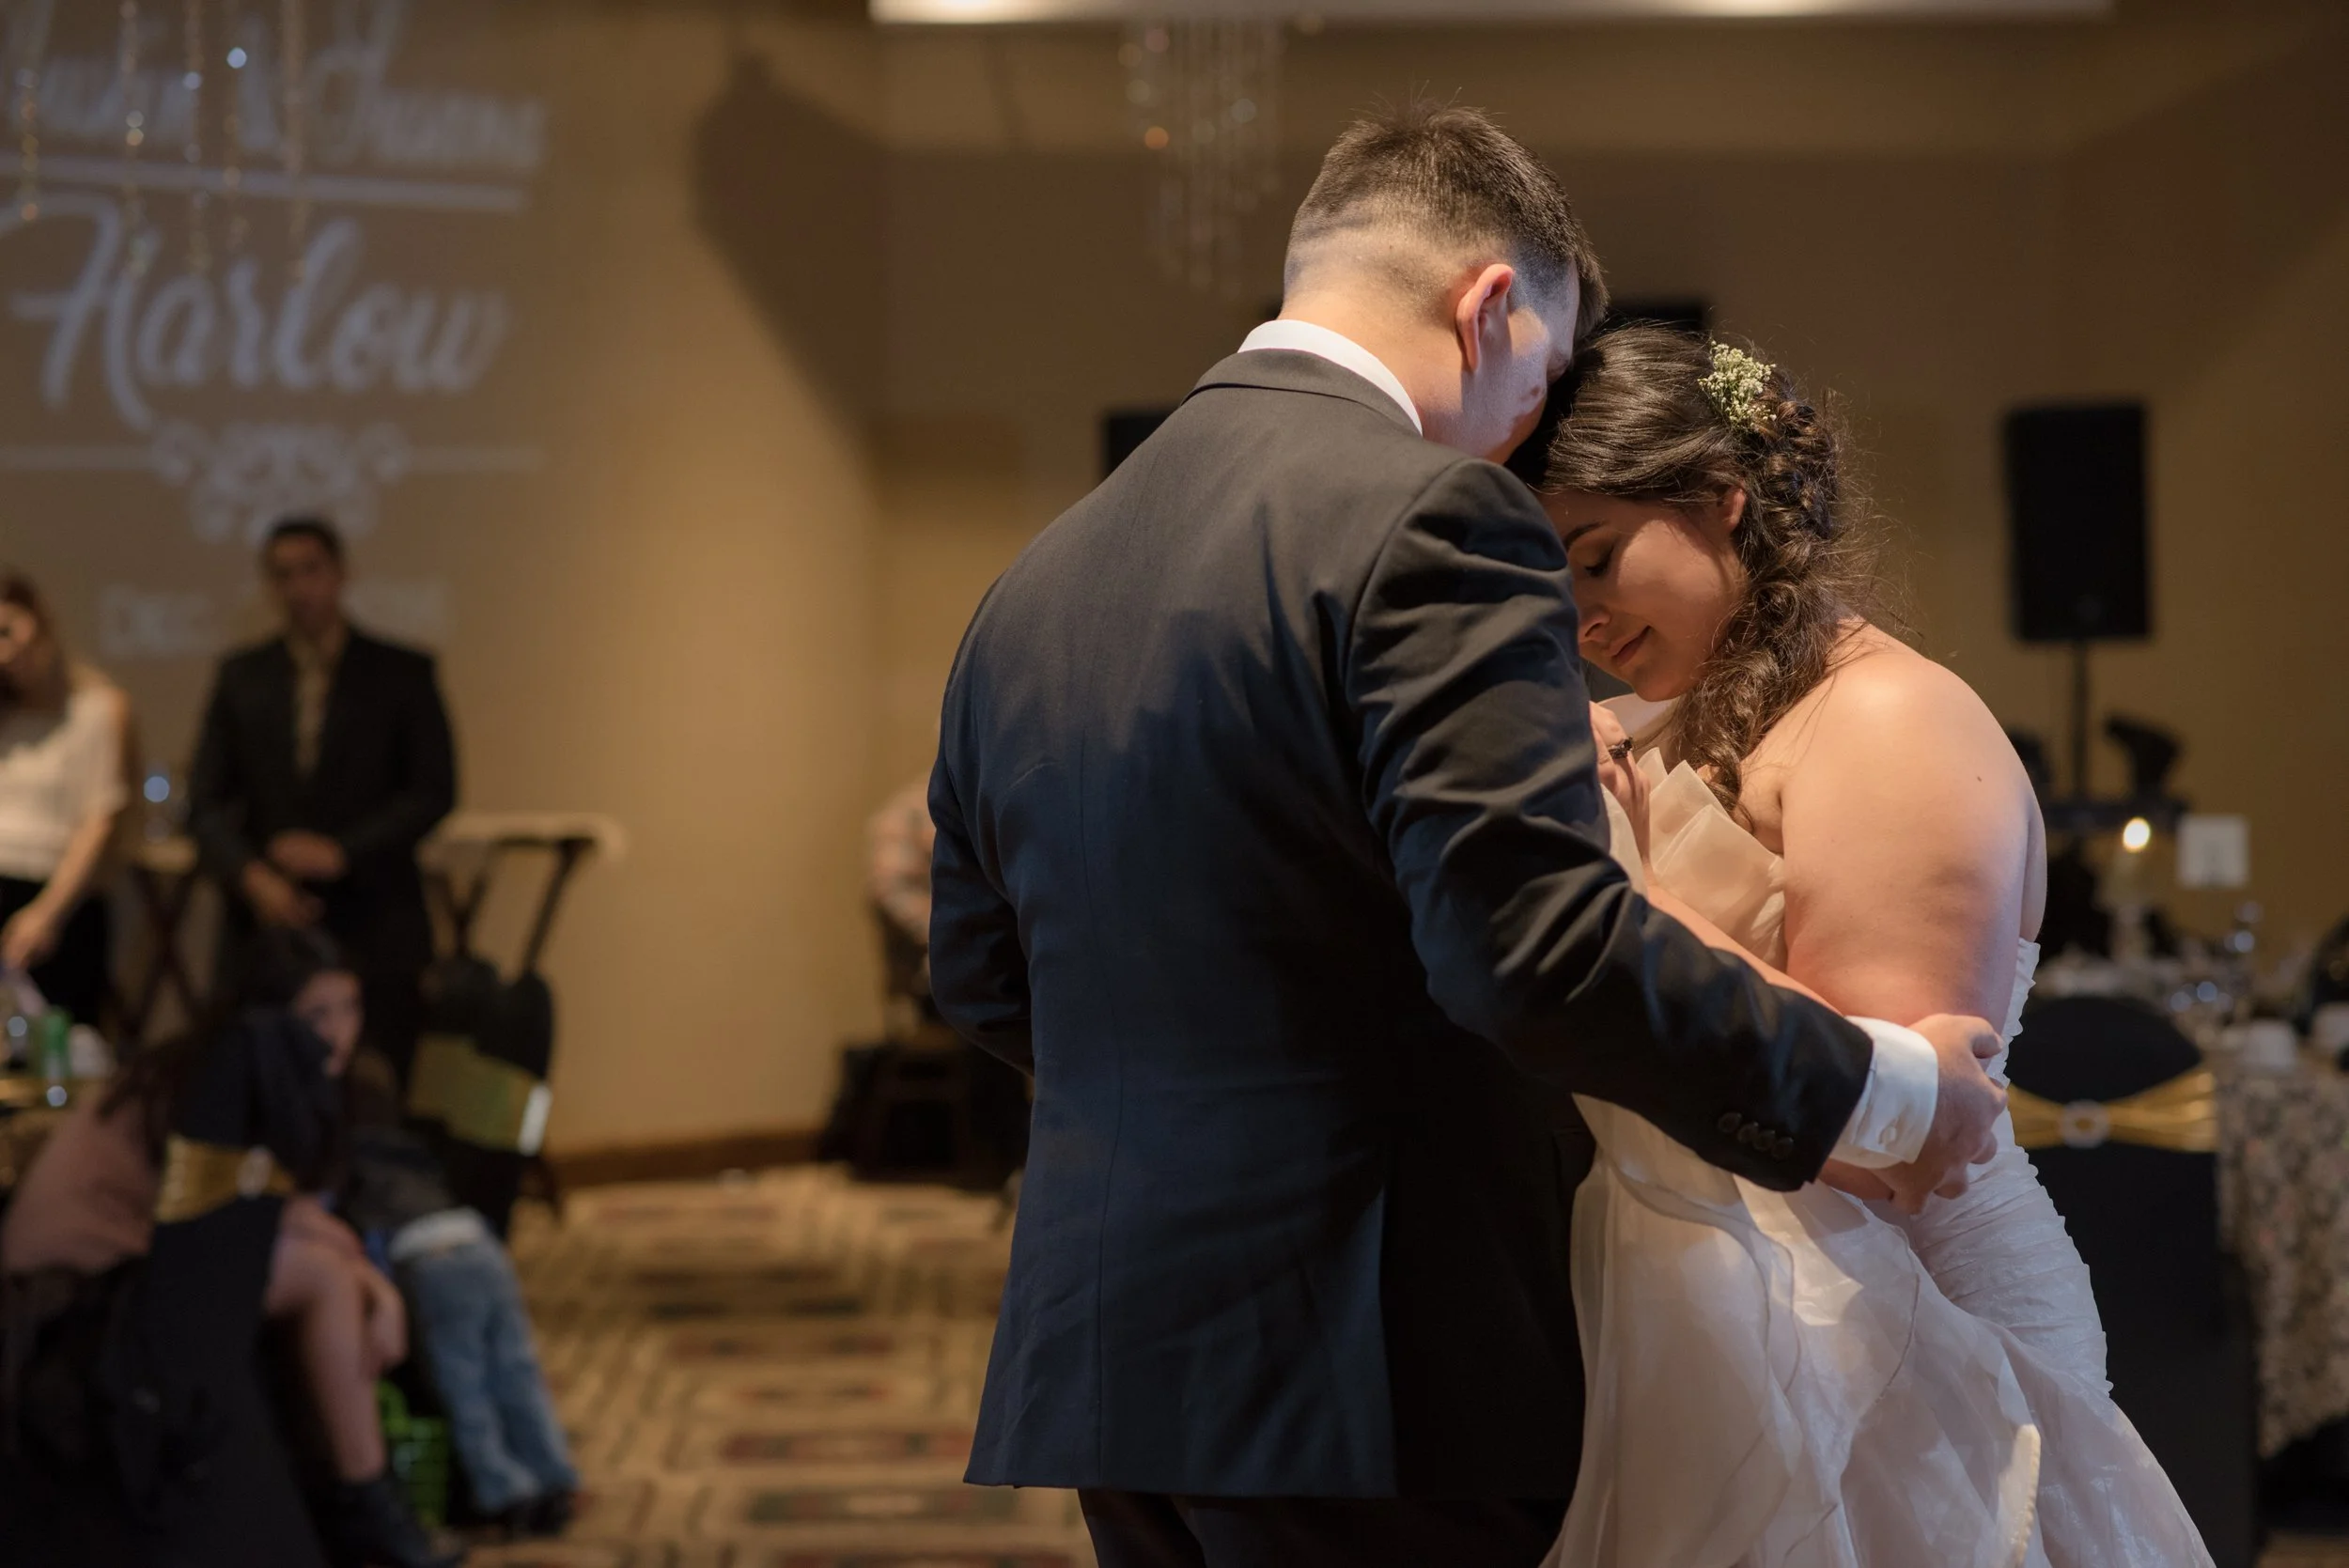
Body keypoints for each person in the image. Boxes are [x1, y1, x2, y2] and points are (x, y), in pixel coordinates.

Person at [926, 101, 2008, 1568]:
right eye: (1543, 377)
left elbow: (986, 975)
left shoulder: (1038, 579)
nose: (1521, 435)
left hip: (1116, 1354)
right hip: (1378, 1360)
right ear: (1493, 307)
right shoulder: (1428, 520)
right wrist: (1886, 1093)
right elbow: (1531, 954)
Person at [1536, 328, 2211, 1566]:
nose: (1581, 616)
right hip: (1749, 1318)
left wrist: (1612, 889)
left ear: (1721, 503)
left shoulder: (1892, 720)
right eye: (1552, 580)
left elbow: (1886, 1143)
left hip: (1916, 1323)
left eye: (1599, 558)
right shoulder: (1696, 716)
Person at [0, 926, 461, 1568]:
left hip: (152, 1267)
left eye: (347, 1008)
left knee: (328, 1267)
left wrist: (371, 1279)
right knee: (324, 1276)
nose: (335, 1032)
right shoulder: (207, 1079)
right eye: (316, 1013)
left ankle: (362, 1495)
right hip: (73, 1286)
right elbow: (232, 1224)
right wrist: (368, 1281)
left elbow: (280, 1214)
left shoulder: (272, 1075)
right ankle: (367, 1499)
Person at [189, 517, 458, 1084]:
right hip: (268, 921)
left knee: (379, 1075)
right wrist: (253, 877)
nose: (298, 588)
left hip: (374, 910)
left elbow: (434, 790)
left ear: (339, 574)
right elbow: (205, 801)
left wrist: (342, 851)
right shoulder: (244, 677)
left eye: (310, 571)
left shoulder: (401, 673)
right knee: (258, 1075)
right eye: (282, 575)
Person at [339, 1045, 579, 1536]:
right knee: (516, 1368)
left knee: (464, 1383)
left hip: (432, 1264)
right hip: (478, 1242)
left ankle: (506, 1491)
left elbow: (369, 1251)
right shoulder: (413, 1149)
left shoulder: (347, 1168)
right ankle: (555, 1474)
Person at [0, 568, 135, 1026]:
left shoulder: (95, 707)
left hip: (57, 896)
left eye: (7, 629)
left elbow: (98, 820)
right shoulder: (7, 712)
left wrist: (48, 912)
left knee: (57, 1047)